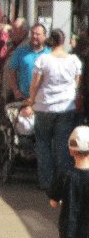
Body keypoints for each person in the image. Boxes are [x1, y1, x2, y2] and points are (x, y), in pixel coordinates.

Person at [22, 28, 81, 192]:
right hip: (66, 107)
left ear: (50, 41)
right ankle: (63, 183)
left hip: (44, 106)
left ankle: (47, 182)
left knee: (43, 144)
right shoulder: (74, 60)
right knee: (63, 145)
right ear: (64, 41)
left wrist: (31, 101)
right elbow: (76, 83)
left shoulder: (43, 59)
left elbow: (35, 84)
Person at [6, 23, 50, 105]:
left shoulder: (50, 53)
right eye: (32, 33)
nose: (34, 36)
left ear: (44, 36)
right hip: (24, 98)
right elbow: (11, 72)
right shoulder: (20, 51)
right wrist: (16, 90)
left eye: (37, 34)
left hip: (44, 100)